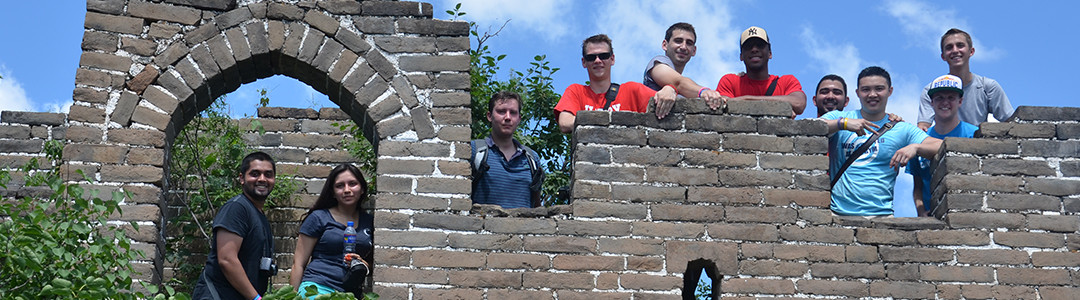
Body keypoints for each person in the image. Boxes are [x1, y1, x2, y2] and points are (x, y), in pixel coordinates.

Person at [822, 66, 942, 216]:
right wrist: (843, 123)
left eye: (879, 89)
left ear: (890, 91)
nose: (872, 94)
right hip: (837, 214)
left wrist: (916, 147)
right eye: (866, 89)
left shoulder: (901, 128)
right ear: (857, 93)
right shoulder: (839, 117)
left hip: (881, 216)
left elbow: (940, 146)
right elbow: (811, 128)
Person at [192, 152, 278, 300]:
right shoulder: (237, 208)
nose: (262, 179)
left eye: (268, 174)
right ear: (241, 178)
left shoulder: (258, 214)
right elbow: (227, 259)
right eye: (255, 174)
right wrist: (256, 298)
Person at [555, 34, 672, 133]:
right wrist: (607, 120)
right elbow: (565, 122)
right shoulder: (576, 91)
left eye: (603, 56)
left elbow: (666, 102)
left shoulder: (632, 90)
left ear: (612, 59)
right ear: (584, 62)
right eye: (591, 57)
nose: (597, 61)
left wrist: (669, 89)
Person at [290, 164, 374, 298]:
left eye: (352, 184)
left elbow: (373, 264)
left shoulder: (370, 222)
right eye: (340, 186)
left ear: (362, 188)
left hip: (350, 294)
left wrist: (363, 264)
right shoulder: (318, 218)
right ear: (333, 192)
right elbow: (298, 264)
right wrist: (292, 296)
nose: (347, 190)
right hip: (316, 289)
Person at [907, 75, 978, 216]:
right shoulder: (919, 139)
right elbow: (918, 186)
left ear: (960, 101)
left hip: (968, 215)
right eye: (939, 98)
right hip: (931, 218)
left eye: (951, 97)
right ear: (932, 102)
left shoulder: (974, 134)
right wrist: (920, 211)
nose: (945, 102)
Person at [917, 28, 1013, 130]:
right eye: (949, 47)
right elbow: (923, 127)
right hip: (942, 144)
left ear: (971, 51)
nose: (955, 50)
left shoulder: (987, 87)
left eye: (960, 45)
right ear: (943, 56)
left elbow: (1011, 123)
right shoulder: (931, 90)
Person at [470, 91, 545, 208]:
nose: (508, 117)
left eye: (513, 113)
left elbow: (537, 206)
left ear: (519, 119)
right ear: (489, 116)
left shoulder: (531, 158)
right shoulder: (475, 151)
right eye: (501, 111)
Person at [716, 26, 807, 116]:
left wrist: (745, 99)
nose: (754, 49)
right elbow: (722, 105)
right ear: (741, 56)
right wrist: (779, 107)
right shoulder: (730, 82)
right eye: (748, 46)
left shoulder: (786, 82)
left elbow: (799, 103)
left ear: (770, 54)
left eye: (760, 45)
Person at [643, 22, 725, 110]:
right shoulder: (658, 62)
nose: (683, 47)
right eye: (678, 41)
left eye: (689, 43)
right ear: (665, 45)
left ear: (694, 51)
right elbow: (678, 83)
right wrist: (705, 92)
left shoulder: (686, 91)